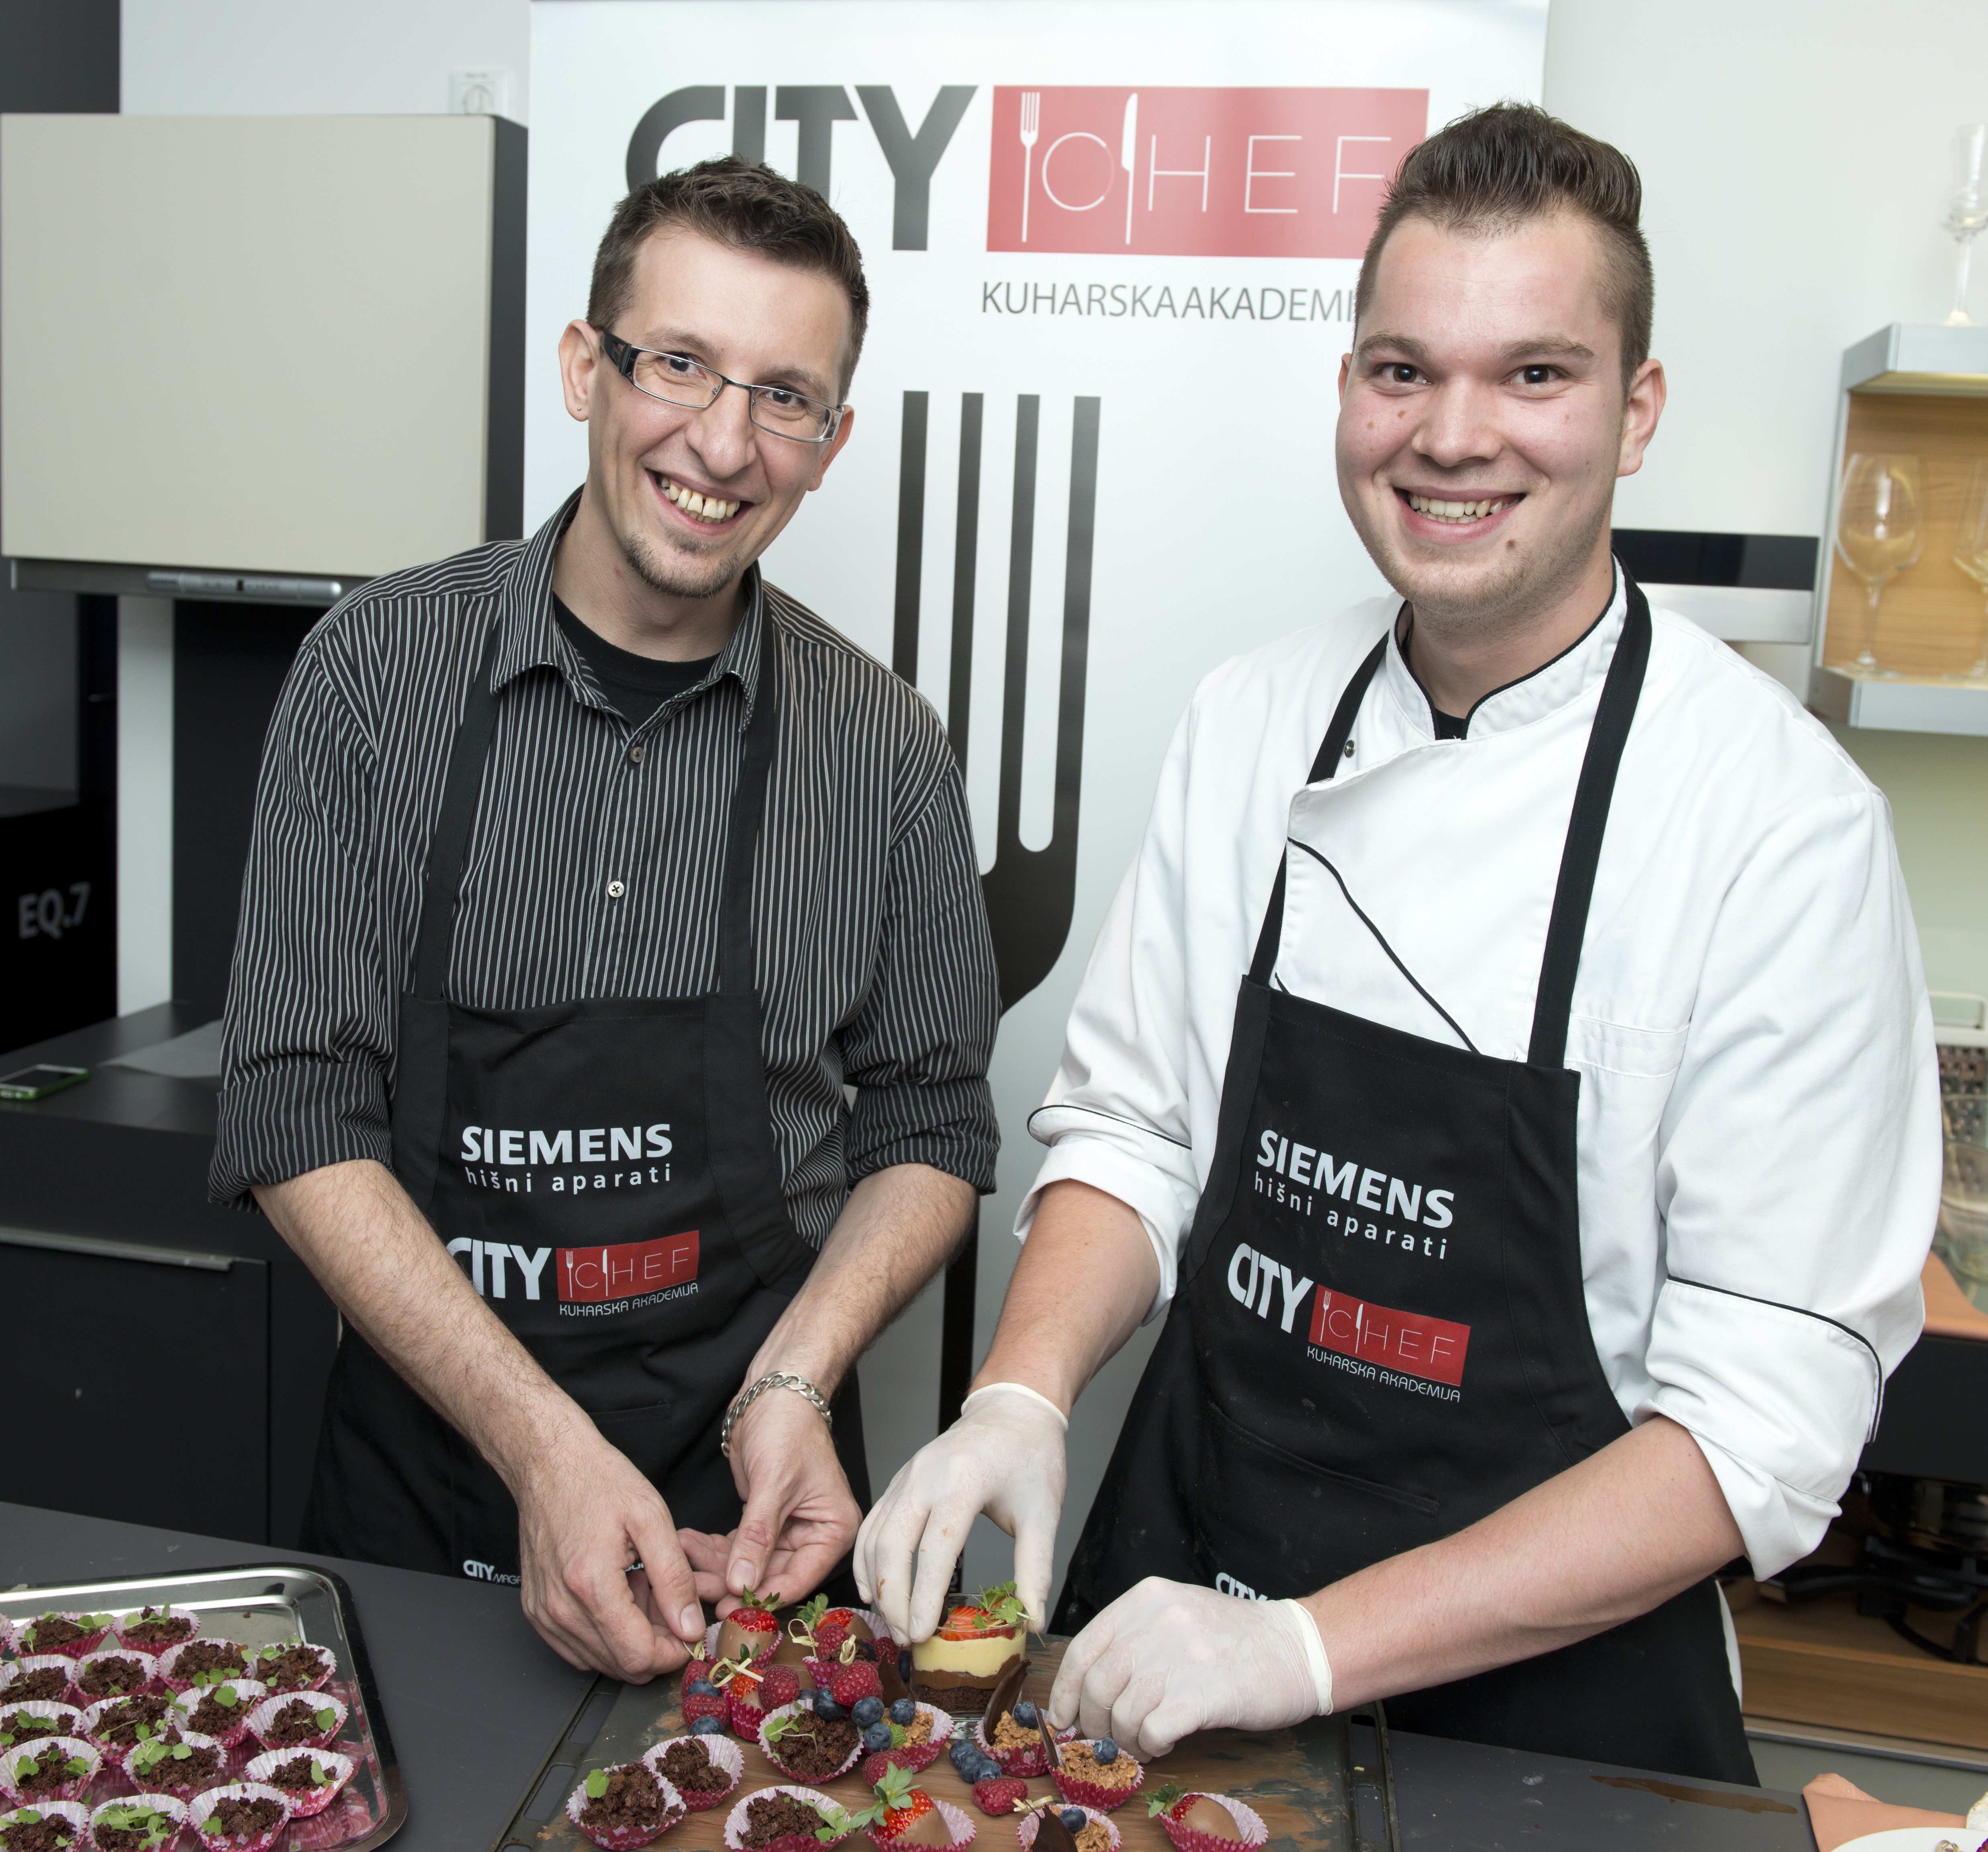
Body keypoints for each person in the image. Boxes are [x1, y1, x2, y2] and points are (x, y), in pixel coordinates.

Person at [854, 104, 1938, 1780]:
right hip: (1181, 1600)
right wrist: (1022, 1389)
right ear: (1349, 388)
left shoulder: (1777, 827)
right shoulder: (1250, 720)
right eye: (1401, 370)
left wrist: (1305, 1645)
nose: (1451, 435)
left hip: (1553, 1725)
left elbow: (1755, 1428)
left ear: (1637, 409)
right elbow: (1136, 1131)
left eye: (1533, 374)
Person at [211, 158, 1000, 1682]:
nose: (724, 442)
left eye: (785, 397)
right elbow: (295, 1100)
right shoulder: (371, 673)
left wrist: (796, 1379)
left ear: (831, 443)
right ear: (588, 367)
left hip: (749, 1520)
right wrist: (541, 1445)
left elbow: (934, 1117)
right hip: (427, 1483)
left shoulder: (883, 745)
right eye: (679, 364)